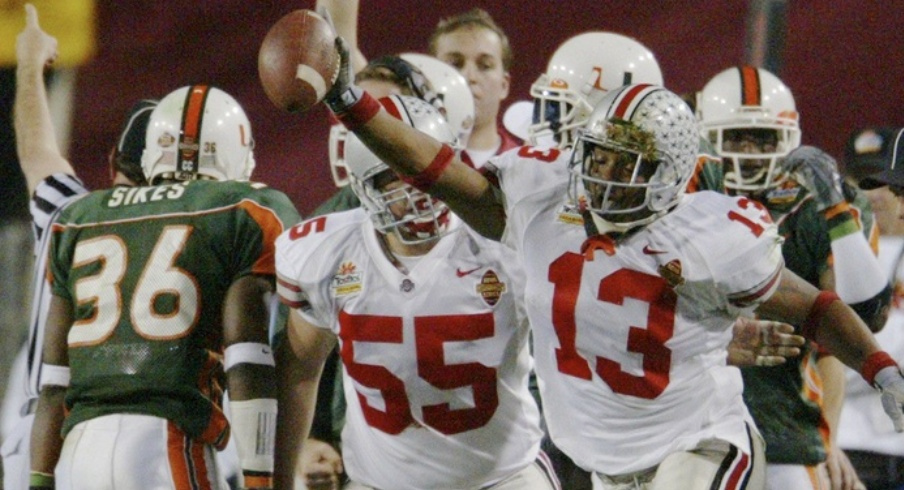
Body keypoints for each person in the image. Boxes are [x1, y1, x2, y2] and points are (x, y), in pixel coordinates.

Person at [318, 34, 904, 488]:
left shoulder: (711, 231)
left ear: (671, 174)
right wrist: (350, 103)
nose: (605, 175)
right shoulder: (542, 200)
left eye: (628, 164)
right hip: (606, 462)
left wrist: (880, 369)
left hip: (700, 443)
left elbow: (815, 306)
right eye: (599, 157)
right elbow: (435, 169)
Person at [273, 94, 558, 490]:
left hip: (503, 479)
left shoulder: (504, 241)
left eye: (422, 170)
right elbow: (299, 371)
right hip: (379, 484)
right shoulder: (330, 253)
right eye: (395, 178)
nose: (417, 190)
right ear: (365, 187)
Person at [29, 83, 301, 490]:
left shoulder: (79, 218)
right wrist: (260, 478)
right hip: (166, 441)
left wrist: (38, 480)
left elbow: (53, 383)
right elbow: (247, 355)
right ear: (235, 152)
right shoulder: (240, 209)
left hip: (78, 451)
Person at [697, 65, 889, 490]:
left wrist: (835, 209)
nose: (750, 152)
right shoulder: (677, 199)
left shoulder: (813, 205)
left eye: (764, 139)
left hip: (781, 431)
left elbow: (864, 317)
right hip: (684, 427)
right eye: (737, 137)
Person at [0, 5, 157, 489]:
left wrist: (29, 66)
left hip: (39, 442)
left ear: (113, 163)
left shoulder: (68, 212)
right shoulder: (214, 220)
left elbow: (35, 150)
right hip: (140, 446)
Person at [838, 127, 904, 490]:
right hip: (850, 444)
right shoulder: (832, 257)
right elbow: (827, 357)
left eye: (883, 182)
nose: (873, 194)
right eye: (862, 181)